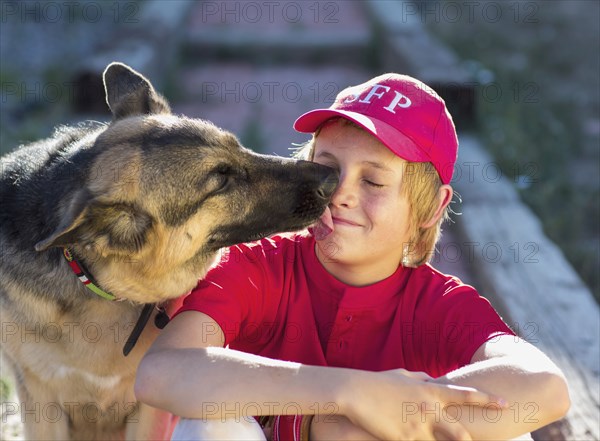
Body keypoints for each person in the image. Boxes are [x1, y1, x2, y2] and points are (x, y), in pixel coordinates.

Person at [135, 74, 570, 440]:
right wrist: (346, 395)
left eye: (374, 182)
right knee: (212, 422)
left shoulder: (439, 304)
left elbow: (545, 387)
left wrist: (356, 428)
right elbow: (163, 372)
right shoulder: (256, 267)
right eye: (328, 171)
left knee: (511, 431)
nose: (340, 194)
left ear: (433, 207)